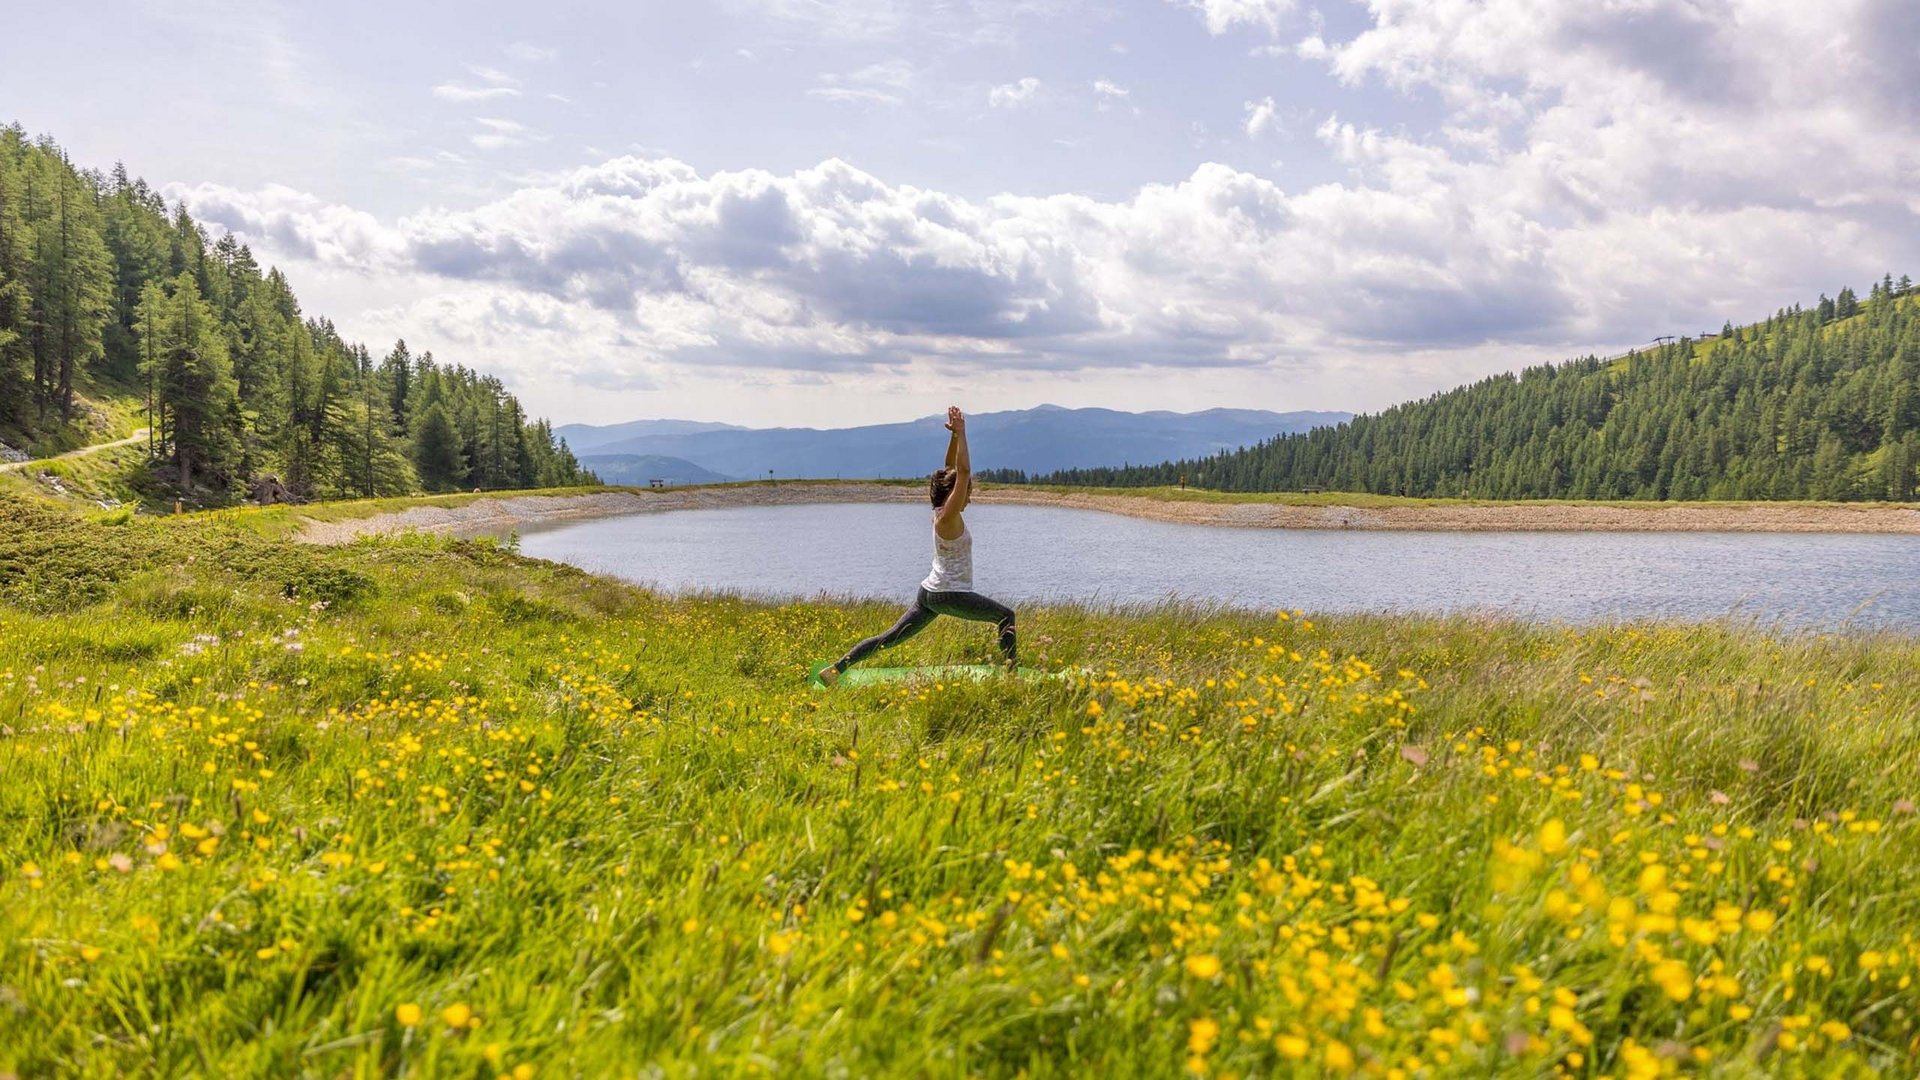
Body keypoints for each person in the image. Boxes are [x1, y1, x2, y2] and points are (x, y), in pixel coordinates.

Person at [817, 406, 1016, 685]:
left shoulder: (938, 510)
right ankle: (1012, 676)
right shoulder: (948, 516)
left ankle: (835, 670)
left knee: (889, 638)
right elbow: (963, 471)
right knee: (1006, 616)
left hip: (929, 592)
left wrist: (954, 439)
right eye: (965, 494)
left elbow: (950, 470)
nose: (969, 498)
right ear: (953, 496)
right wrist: (963, 432)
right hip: (949, 593)